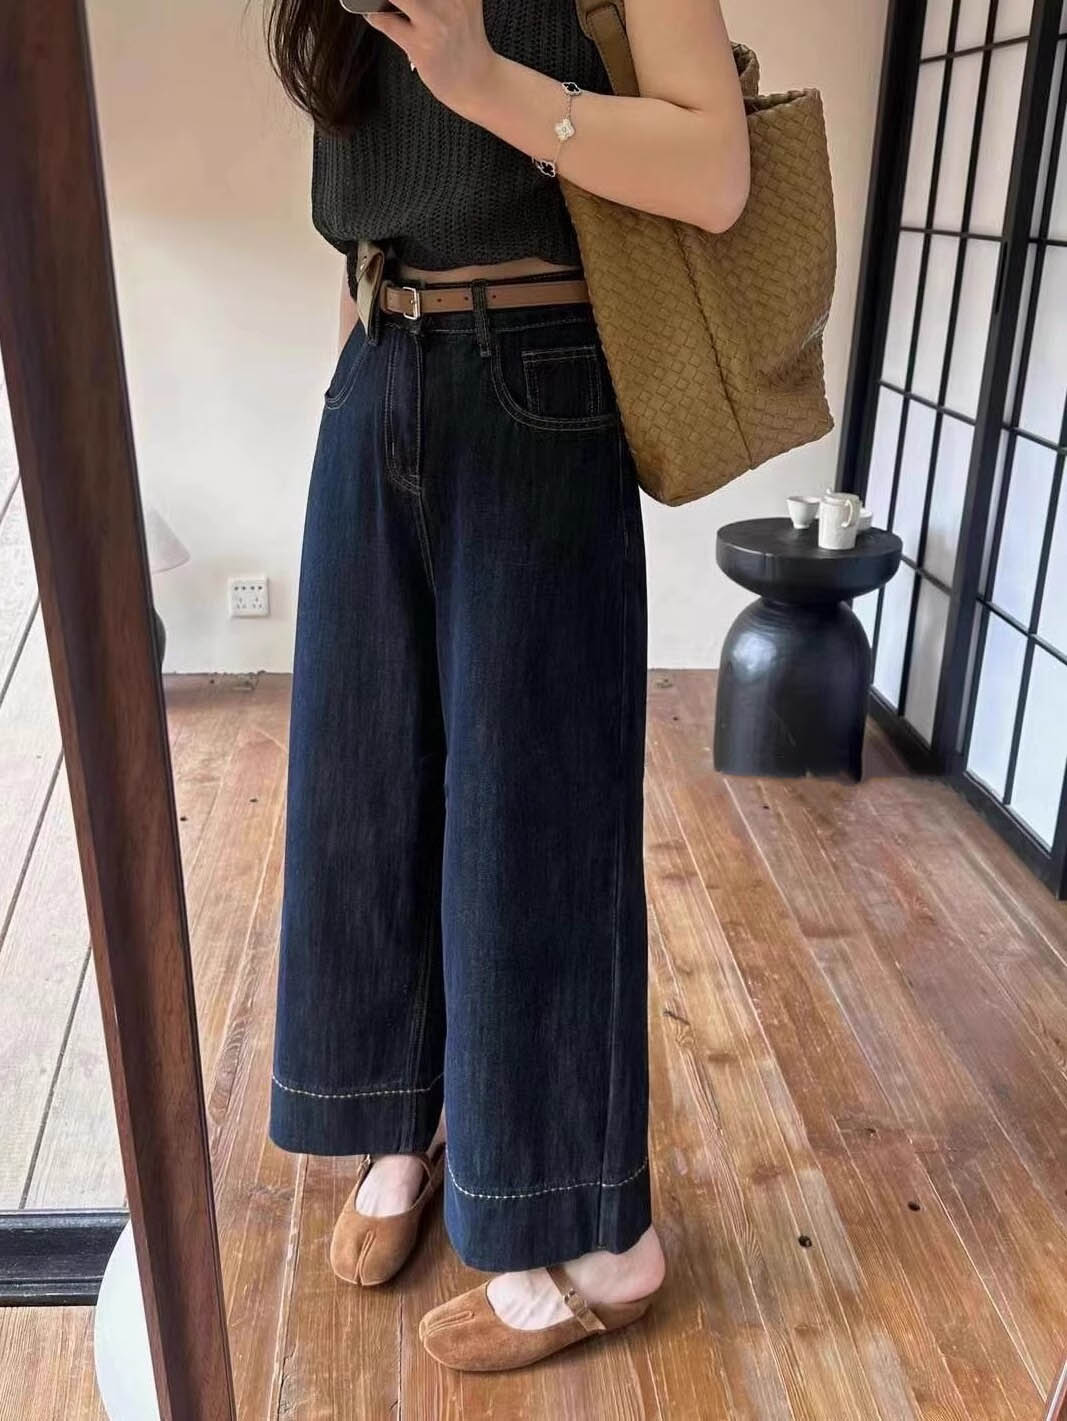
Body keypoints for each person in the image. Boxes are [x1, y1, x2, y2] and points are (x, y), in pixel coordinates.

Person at [266, 0, 749, 1373]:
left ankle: (598, 1238)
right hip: (377, 365)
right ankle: (400, 1114)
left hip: (543, 376)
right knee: (363, 783)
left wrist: (478, 78)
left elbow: (716, 174)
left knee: (532, 818)